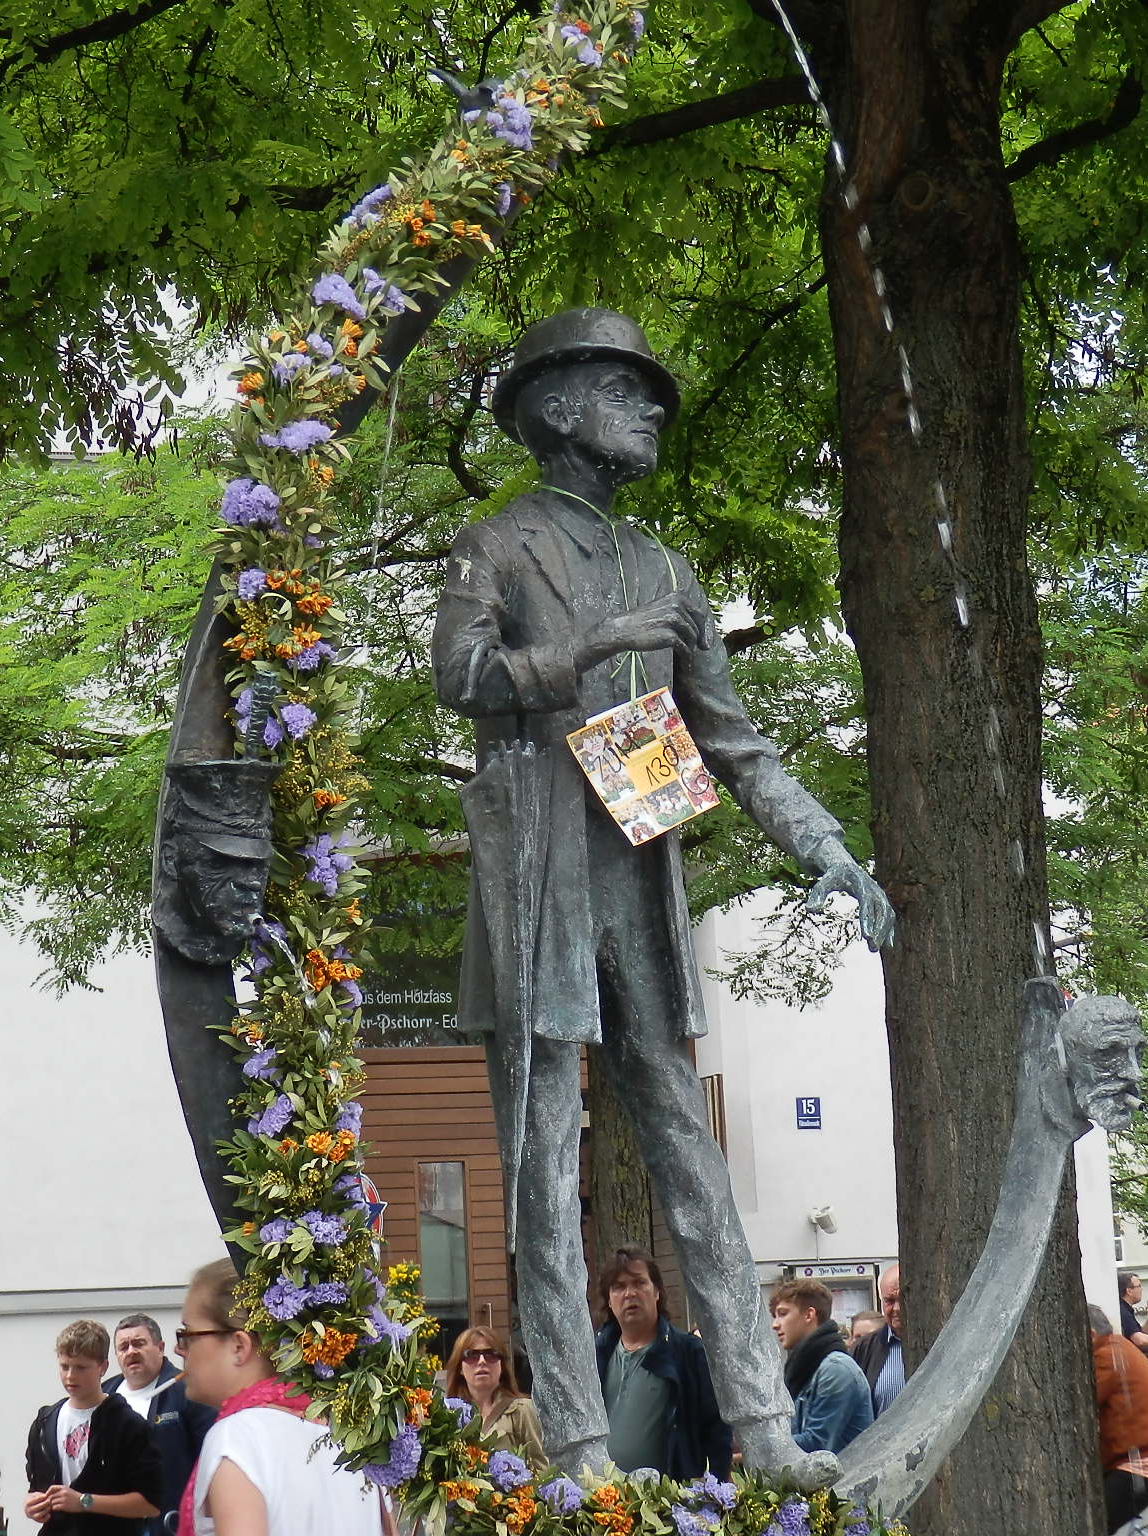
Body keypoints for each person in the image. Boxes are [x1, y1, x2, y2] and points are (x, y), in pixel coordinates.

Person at [433, 307, 893, 1480]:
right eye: (625, 389)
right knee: (540, 1165)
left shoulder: (666, 571)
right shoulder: (494, 546)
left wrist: (826, 847)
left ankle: (764, 1427)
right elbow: (459, 674)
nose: (649, 410)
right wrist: (582, 653)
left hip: (635, 880)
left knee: (688, 1151)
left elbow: (735, 743)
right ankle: (579, 1446)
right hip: (537, 879)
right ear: (555, 409)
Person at [178, 1257, 389, 1536]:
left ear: (239, 1346)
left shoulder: (239, 1437)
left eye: (187, 1334)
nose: (179, 1349)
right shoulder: (349, 1434)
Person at [592, 1246, 731, 1479]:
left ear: (657, 1291)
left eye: (639, 1283)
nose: (630, 1294)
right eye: (619, 1287)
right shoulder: (597, 1354)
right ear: (608, 1299)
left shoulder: (687, 1352)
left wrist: (713, 1491)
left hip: (670, 1502)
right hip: (606, 1502)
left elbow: (717, 1428)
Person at [24, 1320, 162, 1536]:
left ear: (103, 1367)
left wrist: (84, 1501)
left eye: (81, 1367)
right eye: (64, 1366)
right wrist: (33, 1504)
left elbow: (151, 1504)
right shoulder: (45, 1421)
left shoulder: (127, 1424)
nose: (70, 1376)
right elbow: (36, 1487)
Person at [105, 1315, 215, 1536]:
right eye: (123, 1347)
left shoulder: (188, 1390)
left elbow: (210, 1460)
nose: (131, 1351)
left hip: (168, 1523)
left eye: (139, 1343)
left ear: (160, 1347)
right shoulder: (105, 1395)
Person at [1087, 1305, 1148, 1534]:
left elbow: (1086, 1402)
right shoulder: (1118, 1347)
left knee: (1094, 1526)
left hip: (1142, 1463)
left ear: (1090, 1335)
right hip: (1140, 1457)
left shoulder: (1107, 1356)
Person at [768, 1278, 874, 1455]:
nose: (775, 1324)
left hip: (844, 1480)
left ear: (809, 1315)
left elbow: (817, 1444)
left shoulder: (836, 1370)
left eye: (783, 1313)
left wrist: (759, 1448)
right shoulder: (803, 1368)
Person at [444, 1327, 547, 1466]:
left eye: (490, 1354)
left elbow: (541, 1469)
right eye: (471, 1355)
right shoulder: (448, 1416)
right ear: (460, 1367)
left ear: (502, 1365)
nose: (481, 1361)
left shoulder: (521, 1411)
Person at [850, 1264, 906, 1417]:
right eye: (889, 1301)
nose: (897, 1308)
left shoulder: (940, 1343)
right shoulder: (864, 1349)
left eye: (903, 1299)